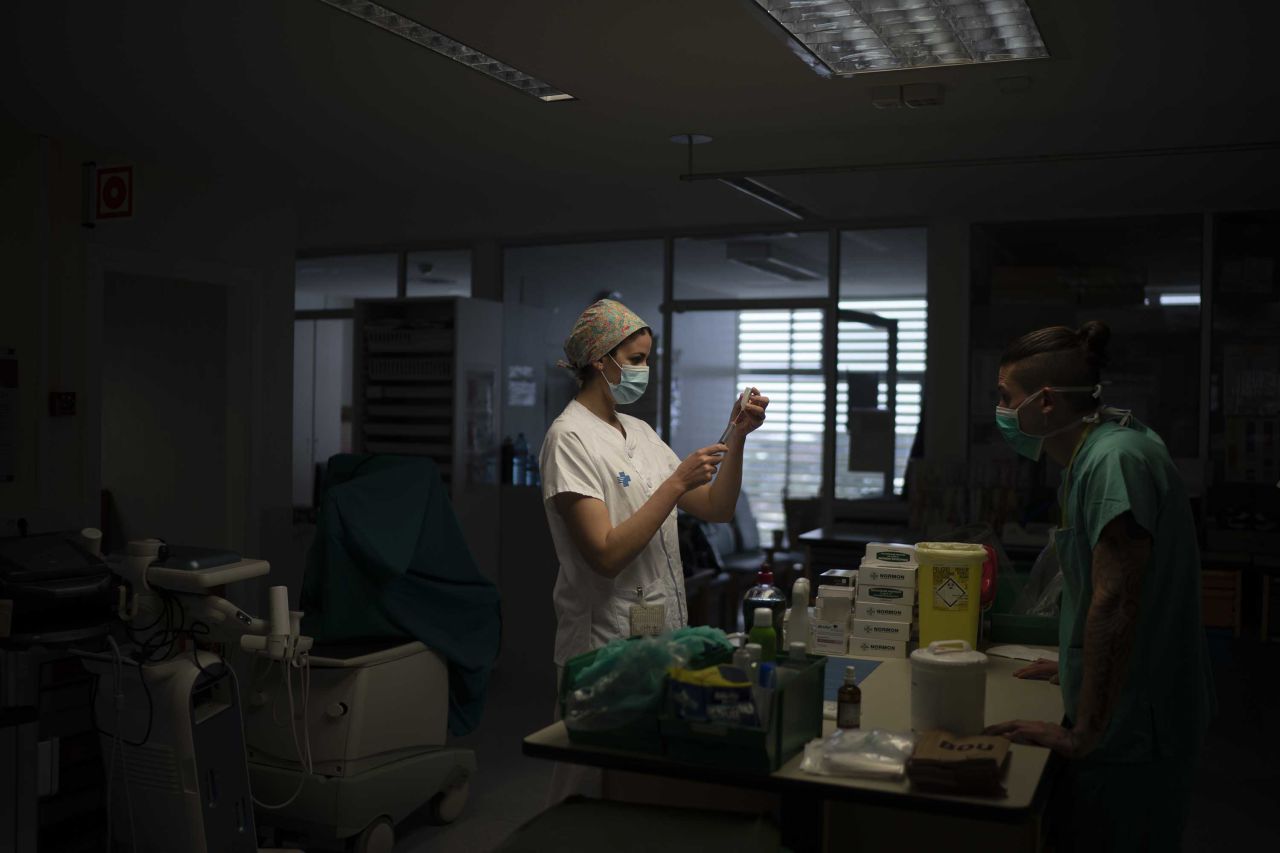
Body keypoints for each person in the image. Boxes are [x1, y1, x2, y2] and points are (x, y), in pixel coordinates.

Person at [984, 320, 1214, 851]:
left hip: (1134, 723)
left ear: (1044, 402)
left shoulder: (1114, 461)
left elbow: (1114, 600)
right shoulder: (1101, 449)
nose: (1000, 411)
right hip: (1123, 705)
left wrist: (1081, 733)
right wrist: (1071, 659)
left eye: (1005, 397)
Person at [539, 299, 767, 801]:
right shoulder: (569, 438)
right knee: (590, 788)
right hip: (603, 648)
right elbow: (604, 554)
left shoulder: (637, 432)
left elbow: (715, 506)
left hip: (660, 640)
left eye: (647, 359)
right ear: (601, 361)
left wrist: (739, 437)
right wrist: (675, 482)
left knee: (642, 784)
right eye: (636, 359)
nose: (645, 370)